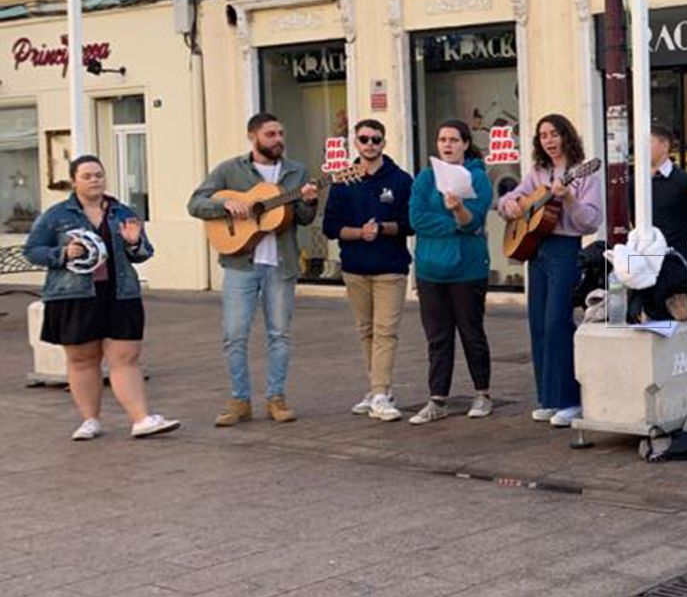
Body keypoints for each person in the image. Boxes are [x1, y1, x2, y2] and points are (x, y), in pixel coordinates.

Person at [25, 155, 178, 440]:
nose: (94, 180)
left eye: (98, 174)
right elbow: (33, 250)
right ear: (74, 181)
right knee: (83, 359)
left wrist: (135, 242)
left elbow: (143, 252)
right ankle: (90, 420)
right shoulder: (57, 215)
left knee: (126, 356)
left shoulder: (121, 212)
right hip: (73, 295)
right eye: (87, 176)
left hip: (120, 294)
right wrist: (62, 254)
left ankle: (142, 420)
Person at [187, 112, 320, 426]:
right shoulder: (230, 170)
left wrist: (310, 202)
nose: (278, 140)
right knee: (234, 335)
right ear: (253, 136)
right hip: (240, 263)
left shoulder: (296, 172)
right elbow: (195, 203)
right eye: (271, 134)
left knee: (280, 334)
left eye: (281, 133)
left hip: (281, 264)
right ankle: (239, 400)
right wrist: (224, 206)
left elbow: (302, 218)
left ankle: (276, 398)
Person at [498, 113, 603, 428]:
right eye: (543, 135)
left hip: (564, 251)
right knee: (539, 324)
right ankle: (547, 397)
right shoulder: (538, 173)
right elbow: (508, 199)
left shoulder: (585, 176)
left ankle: (569, 399)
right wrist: (512, 205)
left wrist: (568, 198)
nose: (549, 140)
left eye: (554, 133)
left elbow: (590, 221)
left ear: (566, 136)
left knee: (558, 322)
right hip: (536, 251)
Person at [321, 119, 414, 422]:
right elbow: (330, 227)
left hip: (391, 267)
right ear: (356, 143)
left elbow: (411, 223)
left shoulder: (400, 180)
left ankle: (380, 392)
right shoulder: (343, 181)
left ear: (384, 143)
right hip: (355, 267)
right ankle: (377, 389)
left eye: (376, 139)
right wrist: (359, 233)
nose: (370, 145)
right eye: (364, 139)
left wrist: (384, 228)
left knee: (386, 331)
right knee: (367, 331)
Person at [407, 120, 495, 425]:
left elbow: (476, 221)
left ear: (466, 144)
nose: (447, 145)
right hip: (430, 270)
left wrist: (459, 211)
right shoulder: (425, 178)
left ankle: (482, 393)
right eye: (442, 139)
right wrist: (455, 224)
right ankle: (437, 399)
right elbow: (416, 219)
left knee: (472, 333)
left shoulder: (478, 178)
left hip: (467, 270)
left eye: (454, 140)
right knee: (437, 337)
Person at [643, 126, 687, 266]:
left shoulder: (684, 181)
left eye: (648, 142)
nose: (642, 147)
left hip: (678, 261)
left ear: (664, 146)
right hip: (646, 262)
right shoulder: (637, 182)